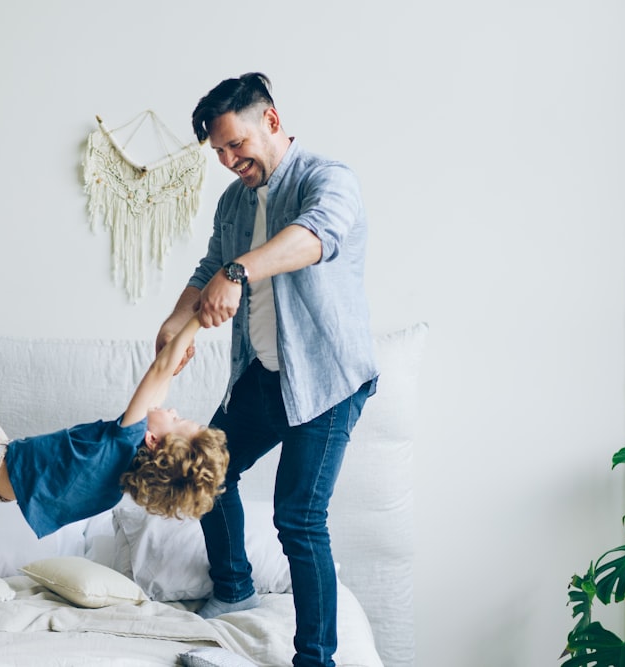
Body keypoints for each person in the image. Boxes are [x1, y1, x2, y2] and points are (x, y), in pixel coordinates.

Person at [154, 72, 378, 667]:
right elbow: (209, 267)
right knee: (208, 471)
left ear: (271, 122)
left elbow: (312, 239)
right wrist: (174, 325)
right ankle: (232, 590)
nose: (229, 160)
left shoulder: (327, 179)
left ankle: (316, 659)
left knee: (298, 516)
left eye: (236, 145)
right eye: (220, 151)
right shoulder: (233, 201)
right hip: (263, 375)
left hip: (328, 379)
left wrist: (239, 273)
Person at [0, 292, 228, 539]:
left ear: (152, 440)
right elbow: (163, 382)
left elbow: (160, 370)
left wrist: (198, 317)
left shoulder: (123, 440)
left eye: (180, 421)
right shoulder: (119, 479)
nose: (175, 410)